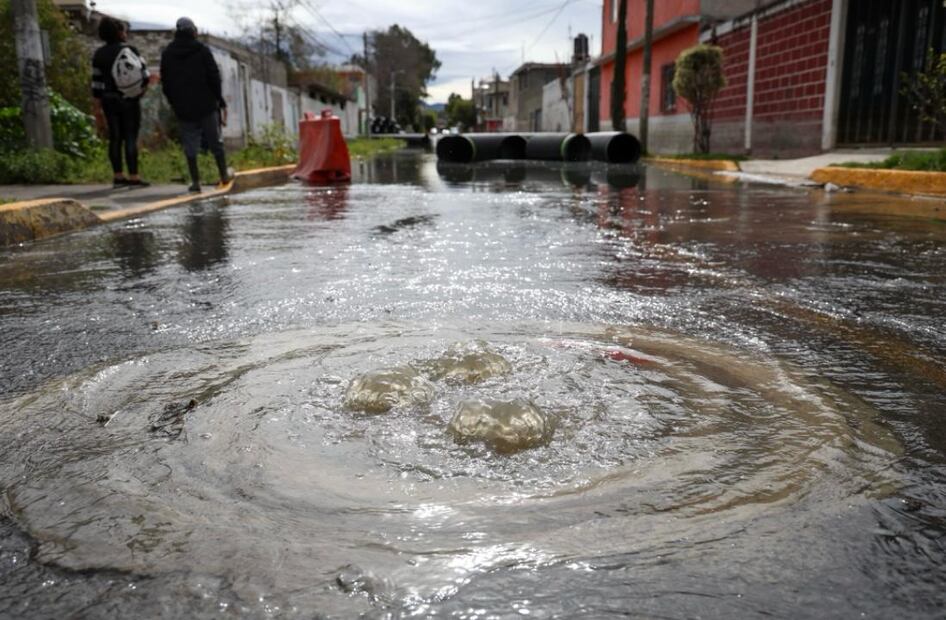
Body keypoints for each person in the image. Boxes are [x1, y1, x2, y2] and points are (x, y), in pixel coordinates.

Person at [160, 17, 232, 193]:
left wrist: (174, 103)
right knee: (215, 141)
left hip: (183, 108)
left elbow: (166, 82)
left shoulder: (168, 53)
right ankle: (224, 175)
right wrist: (219, 100)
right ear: (193, 31)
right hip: (206, 104)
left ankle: (196, 182)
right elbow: (214, 76)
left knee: (190, 145)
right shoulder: (201, 50)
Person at [91, 17, 150, 188]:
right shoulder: (131, 50)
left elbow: (96, 83)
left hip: (108, 100)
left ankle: (118, 176)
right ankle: (134, 177)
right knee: (131, 137)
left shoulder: (99, 54)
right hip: (129, 99)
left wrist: (97, 107)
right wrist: (140, 92)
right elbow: (144, 75)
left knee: (115, 138)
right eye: (124, 30)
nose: (125, 34)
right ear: (119, 33)